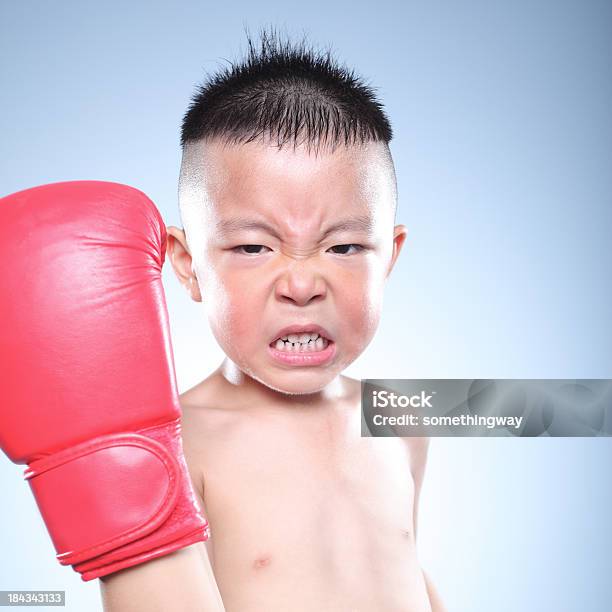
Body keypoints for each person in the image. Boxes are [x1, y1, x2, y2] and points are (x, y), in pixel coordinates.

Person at [154, 29, 444, 611]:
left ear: (389, 256)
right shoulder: (177, 447)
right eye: (253, 248)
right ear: (187, 266)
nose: (303, 285)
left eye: (343, 248)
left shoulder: (403, 417)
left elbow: (408, 570)